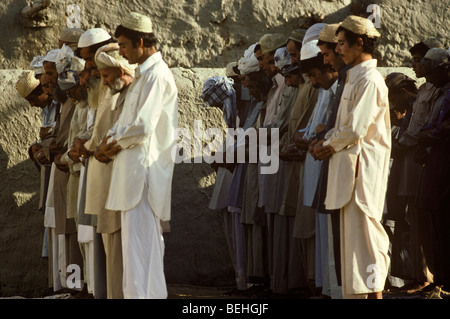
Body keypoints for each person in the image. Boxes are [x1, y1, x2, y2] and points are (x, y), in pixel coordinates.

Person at [102, 12, 178, 299]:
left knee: (144, 249)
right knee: (134, 253)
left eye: (123, 45)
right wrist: (110, 140)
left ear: (141, 42)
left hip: (143, 175)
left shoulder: (157, 76)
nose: (120, 51)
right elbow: (126, 122)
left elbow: (143, 126)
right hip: (130, 173)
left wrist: (114, 143)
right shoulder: (143, 75)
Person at [317, 15, 391, 299]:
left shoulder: (371, 80)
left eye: (342, 44)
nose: (338, 50)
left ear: (360, 43)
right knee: (352, 248)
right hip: (348, 171)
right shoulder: (354, 77)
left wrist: (328, 144)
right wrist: (326, 141)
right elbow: (344, 126)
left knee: (369, 240)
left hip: (363, 172)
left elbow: (356, 128)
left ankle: (376, 294)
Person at [416, 48, 450, 297]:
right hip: (438, 160)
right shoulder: (438, 91)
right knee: (436, 217)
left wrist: (433, 133)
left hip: (445, 161)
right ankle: (442, 278)